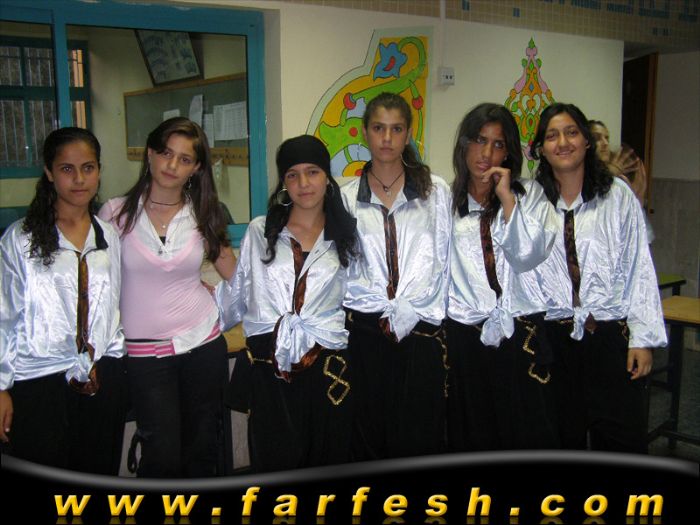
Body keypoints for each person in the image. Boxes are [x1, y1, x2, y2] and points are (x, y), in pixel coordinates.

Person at [99, 117, 236, 477]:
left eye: (185, 159)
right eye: (165, 153)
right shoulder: (115, 214)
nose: (172, 165)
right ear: (149, 154)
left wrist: (220, 298)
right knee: (162, 456)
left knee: (202, 450)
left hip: (202, 344)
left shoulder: (203, 212)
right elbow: (101, 287)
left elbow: (236, 274)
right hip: (145, 355)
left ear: (196, 168)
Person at [216, 135, 357, 472]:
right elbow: (239, 293)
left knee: (327, 461)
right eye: (293, 175)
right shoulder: (261, 231)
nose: (303, 183)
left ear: (327, 178)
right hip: (271, 367)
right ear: (283, 182)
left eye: (312, 172)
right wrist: (197, 315)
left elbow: (357, 298)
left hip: (328, 370)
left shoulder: (346, 234)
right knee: (274, 460)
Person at [531, 103, 666, 453]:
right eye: (552, 135)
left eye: (571, 132)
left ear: (587, 141)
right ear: (541, 148)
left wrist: (642, 338)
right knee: (561, 438)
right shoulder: (532, 200)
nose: (563, 142)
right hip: (555, 339)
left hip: (609, 336)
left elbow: (639, 268)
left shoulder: (616, 195)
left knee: (621, 438)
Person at [0, 127, 127, 474]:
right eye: (67, 169)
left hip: (101, 375)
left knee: (99, 473)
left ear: (99, 171)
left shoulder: (108, 235)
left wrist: (115, 361)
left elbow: (112, 307)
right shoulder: (20, 239)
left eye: (88, 168)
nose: (79, 179)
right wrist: (1, 387)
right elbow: (4, 317)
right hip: (38, 381)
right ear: (49, 172)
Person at [341, 92, 452, 460]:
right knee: (367, 434)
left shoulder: (434, 192)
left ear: (408, 134)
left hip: (421, 332)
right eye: (378, 128)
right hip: (365, 332)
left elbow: (446, 259)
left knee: (420, 435)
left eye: (396, 129)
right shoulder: (344, 198)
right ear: (365, 133)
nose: (387, 138)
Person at [446, 103, 559, 451]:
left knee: (524, 429)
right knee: (471, 431)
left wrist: (506, 198)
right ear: (465, 144)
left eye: (498, 144)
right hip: (466, 334)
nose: (486, 154)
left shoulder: (529, 195)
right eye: (480, 140)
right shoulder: (446, 202)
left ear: (508, 152)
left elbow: (528, 255)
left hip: (519, 331)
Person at [589, 120, 653, 242]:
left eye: (607, 138)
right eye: (597, 138)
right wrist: (610, 173)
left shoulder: (621, 181)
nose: (605, 143)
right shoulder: (578, 177)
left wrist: (637, 201)